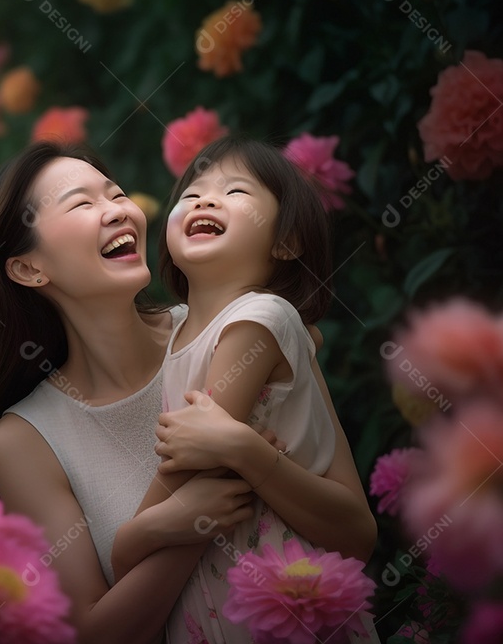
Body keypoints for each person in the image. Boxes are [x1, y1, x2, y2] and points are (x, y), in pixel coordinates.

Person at [0, 141, 375, 643]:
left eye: (117, 194)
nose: (118, 211)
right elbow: (93, 635)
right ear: (28, 268)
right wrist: (187, 518)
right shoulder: (25, 439)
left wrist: (176, 518)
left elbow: (355, 535)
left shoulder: (235, 332)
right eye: (83, 204)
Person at [118, 135, 378, 642]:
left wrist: (130, 537)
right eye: (191, 194)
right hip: (213, 609)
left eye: (236, 191)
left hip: (281, 609)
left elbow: (189, 467)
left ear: (285, 242)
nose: (204, 200)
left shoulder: (257, 319)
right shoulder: (177, 337)